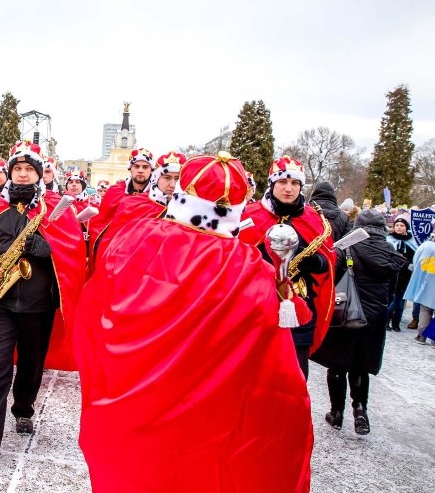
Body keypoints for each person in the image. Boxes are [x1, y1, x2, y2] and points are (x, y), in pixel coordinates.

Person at [75, 152, 312, 491]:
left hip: (140, 393)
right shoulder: (249, 265)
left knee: (139, 467)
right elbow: (268, 347)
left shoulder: (138, 236)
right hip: (208, 411)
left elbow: (101, 300)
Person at [0, 140, 84, 462]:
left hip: (38, 307)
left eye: (28, 169)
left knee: (32, 365)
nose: (21, 174)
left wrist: (49, 251)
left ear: (38, 175)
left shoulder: (56, 212)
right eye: (16, 169)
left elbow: (73, 255)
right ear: (9, 171)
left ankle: (23, 407)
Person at [240, 155, 335, 379]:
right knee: (255, 370)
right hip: (257, 304)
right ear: (272, 184)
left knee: (296, 374)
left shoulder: (314, 220)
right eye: (282, 182)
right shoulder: (250, 215)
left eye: (295, 183)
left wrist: (317, 262)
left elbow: (329, 264)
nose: (288, 189)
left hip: (299, 304)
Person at [311, 210, 405, 435]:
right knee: (360, 365)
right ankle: (360, 410)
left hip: (346, 312)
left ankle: (336, 413)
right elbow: (393, 290)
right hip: (375, 317)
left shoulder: (348, 246)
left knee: (338, 363)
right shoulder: (390, 251)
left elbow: (332, 275)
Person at [88, 148, 155, 250]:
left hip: (143, 249)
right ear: (130, 168)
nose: (140, 170)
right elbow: (101, 224)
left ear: (151, 170)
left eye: (145, 167)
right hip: (114, 248)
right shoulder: (114, 191)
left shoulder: (156, 197)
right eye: (136, 166)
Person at [385, 215, 417, 331]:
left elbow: (415, 256)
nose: (399, 227)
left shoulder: (411, 241)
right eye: (397, 225)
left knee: (400, 301)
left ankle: (396, 323)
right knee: (390, 300)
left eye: (402, 226)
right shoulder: (389, 240)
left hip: (406, 275)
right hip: (392, 273)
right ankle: (386, 322)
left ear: (406, 227)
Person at [403, 235, 435, 344]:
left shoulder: (427, 246)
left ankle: (421, 336)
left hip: (427, 282)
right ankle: (434, 340)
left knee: (425, 309)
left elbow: (417, 260)